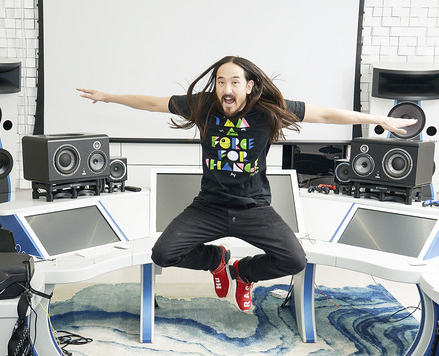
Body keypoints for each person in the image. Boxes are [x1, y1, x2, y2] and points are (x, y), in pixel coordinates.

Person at [77, 55, 415, 313]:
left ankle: (244, 272)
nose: (227, 88)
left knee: (295, 260)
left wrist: (377, 119)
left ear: (249, 86)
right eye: (221, 81)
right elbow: (153, 103)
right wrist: (108, 97)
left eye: (235, 82)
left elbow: (325, 115)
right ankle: (215, 260)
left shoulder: (268, 110)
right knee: (163, 254)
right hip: (209, 206)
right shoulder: (203, 107)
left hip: (254, 208)